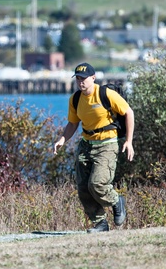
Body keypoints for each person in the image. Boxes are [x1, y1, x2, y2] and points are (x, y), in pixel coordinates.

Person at [53, 62, 134, 232]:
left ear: (93, 78)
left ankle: (116, 201)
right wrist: (62, 139)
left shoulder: (105, 94)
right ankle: (100, 223)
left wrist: (129, 141)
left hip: (107, 144)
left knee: (97, 183)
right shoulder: (75, 99)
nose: (80, 82)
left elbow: (128, 112)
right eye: (78, 79)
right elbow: (73, 123)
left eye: (84, 78)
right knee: (83, 188)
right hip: (87, 144)